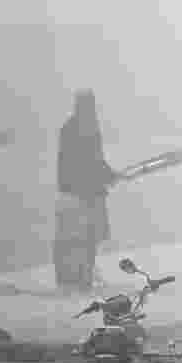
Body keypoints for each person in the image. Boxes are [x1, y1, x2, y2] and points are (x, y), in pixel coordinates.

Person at [56, 90, 122, 291]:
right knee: (85, 236)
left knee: (87, 236)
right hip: (81, 192)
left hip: (81, 191)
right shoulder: (79, 129)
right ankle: (82, 277)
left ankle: (83, 275)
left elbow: (94, 160)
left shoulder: (78, 128)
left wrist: (106, 173)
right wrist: (105, 174)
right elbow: (84, 161)